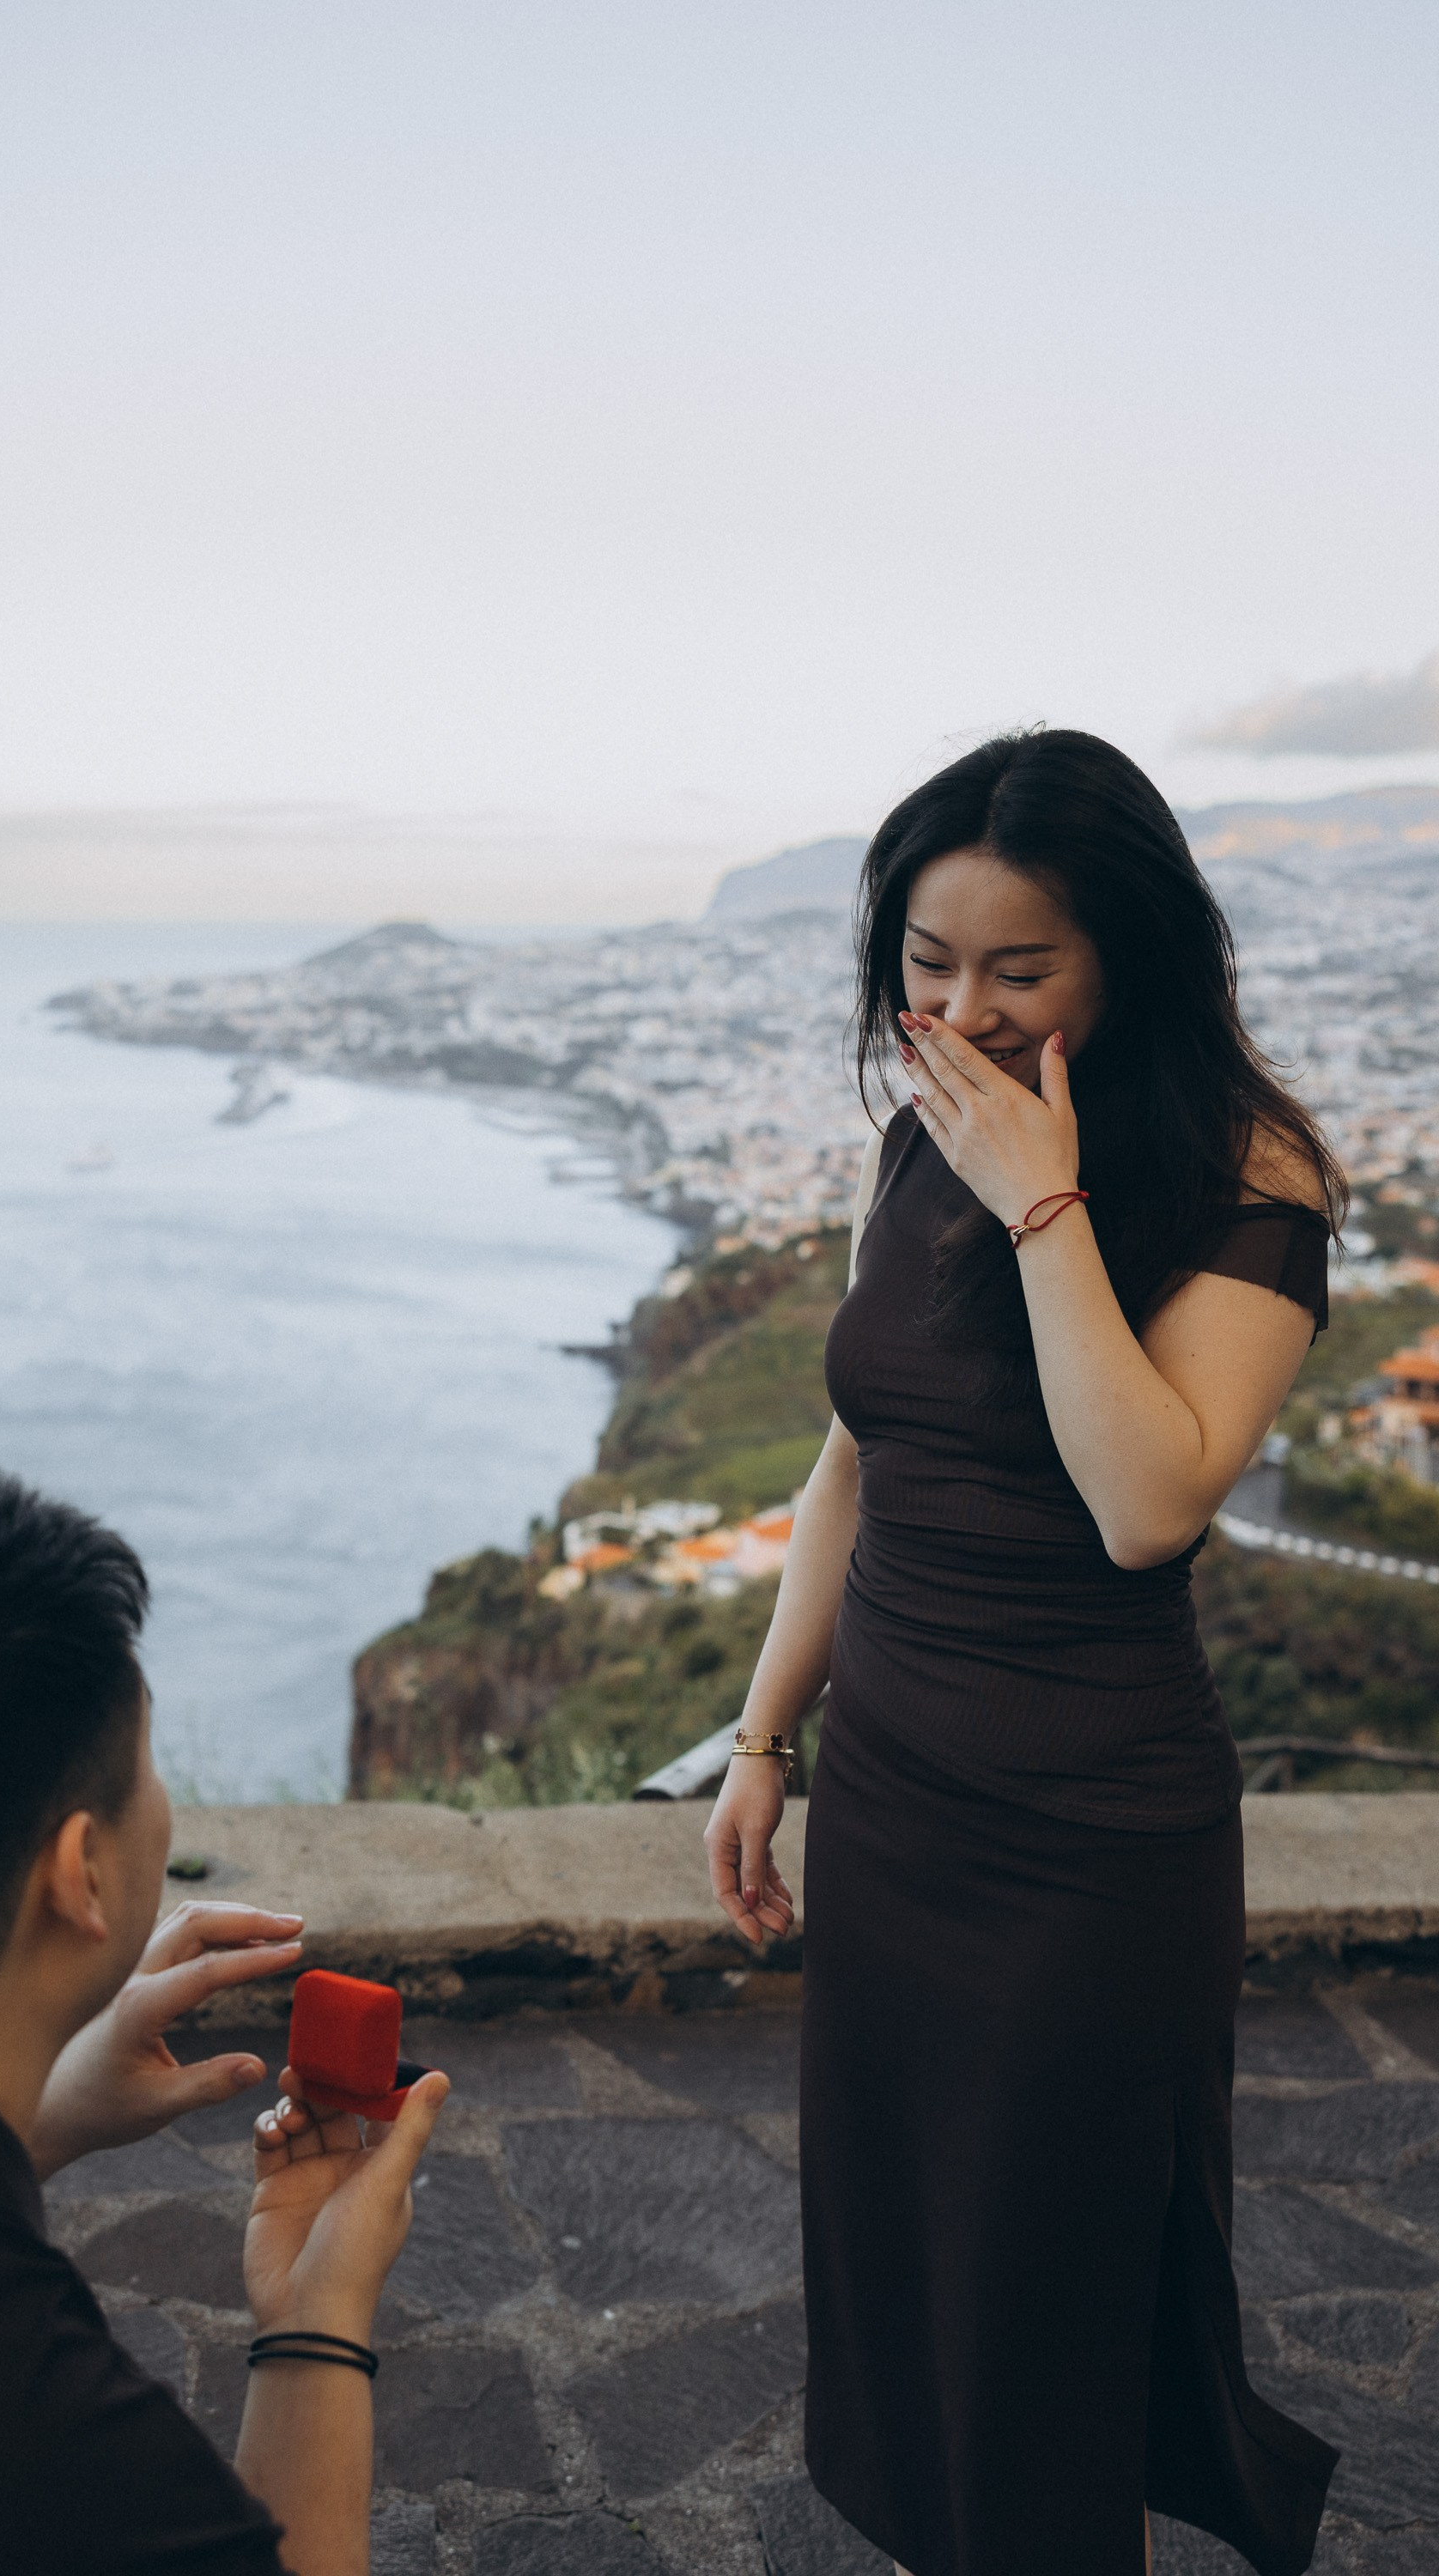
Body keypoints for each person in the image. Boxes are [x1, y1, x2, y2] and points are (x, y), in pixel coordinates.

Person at [703, 731, 1344, 2576]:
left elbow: (1150, 1501)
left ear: (1126, 955)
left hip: (1087, 1835)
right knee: (915, 2285)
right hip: (897, 1799)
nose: (960, 1011)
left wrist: (1045, 1209)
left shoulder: (1246, 1168)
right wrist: (763, 1745)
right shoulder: (915, 1141)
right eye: (925, 963)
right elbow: (850, 1463)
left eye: (1017, 967)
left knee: (1047, 2307)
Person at [0, 1467, 448, 2576]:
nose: (158, 1799)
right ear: (80, 1870)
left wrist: (42, 2110)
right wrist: (316, 2319)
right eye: (146, 1764)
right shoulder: (58, 2462)